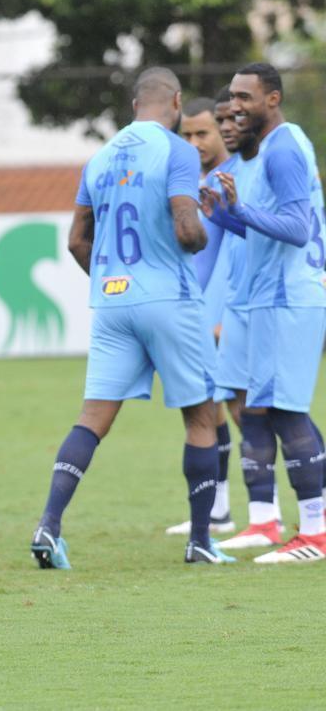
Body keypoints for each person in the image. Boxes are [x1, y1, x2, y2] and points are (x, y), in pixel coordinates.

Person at [29, 67, 230, 569]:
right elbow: (187, 232)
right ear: (177, 101)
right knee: (202, 416)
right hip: (169, 299)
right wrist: (208, 221)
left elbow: (77, 239)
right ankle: (201, 539)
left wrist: (110, 276)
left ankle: (48, 527)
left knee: (92, 419)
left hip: (112, 301)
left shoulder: (98, 159)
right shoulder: (176, 150)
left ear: (134, 105)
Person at [201, 63, 326, 563]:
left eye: (245, 97)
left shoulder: (285, 147)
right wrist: (226, 215)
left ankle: (315, 532)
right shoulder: (261, 154)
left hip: (288, 297)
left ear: (272, 99)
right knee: (257, 408)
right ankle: (271, 521)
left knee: (285, 409)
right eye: (232, 96)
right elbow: (261, 229)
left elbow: (297, 228)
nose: (235, 106)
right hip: (264, 298)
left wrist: (242, 213)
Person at [164, 93, 238, 537]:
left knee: (254, 411)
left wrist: (224, 315)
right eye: (186, 134)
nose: (193, 142)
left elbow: (241, 254)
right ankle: (221, 509)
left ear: (222, 130)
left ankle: (293, 512)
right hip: (196, 313)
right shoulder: (186, 180)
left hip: (228, 315)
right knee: (211, 410)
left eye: (202, 133)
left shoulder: (232, 180)